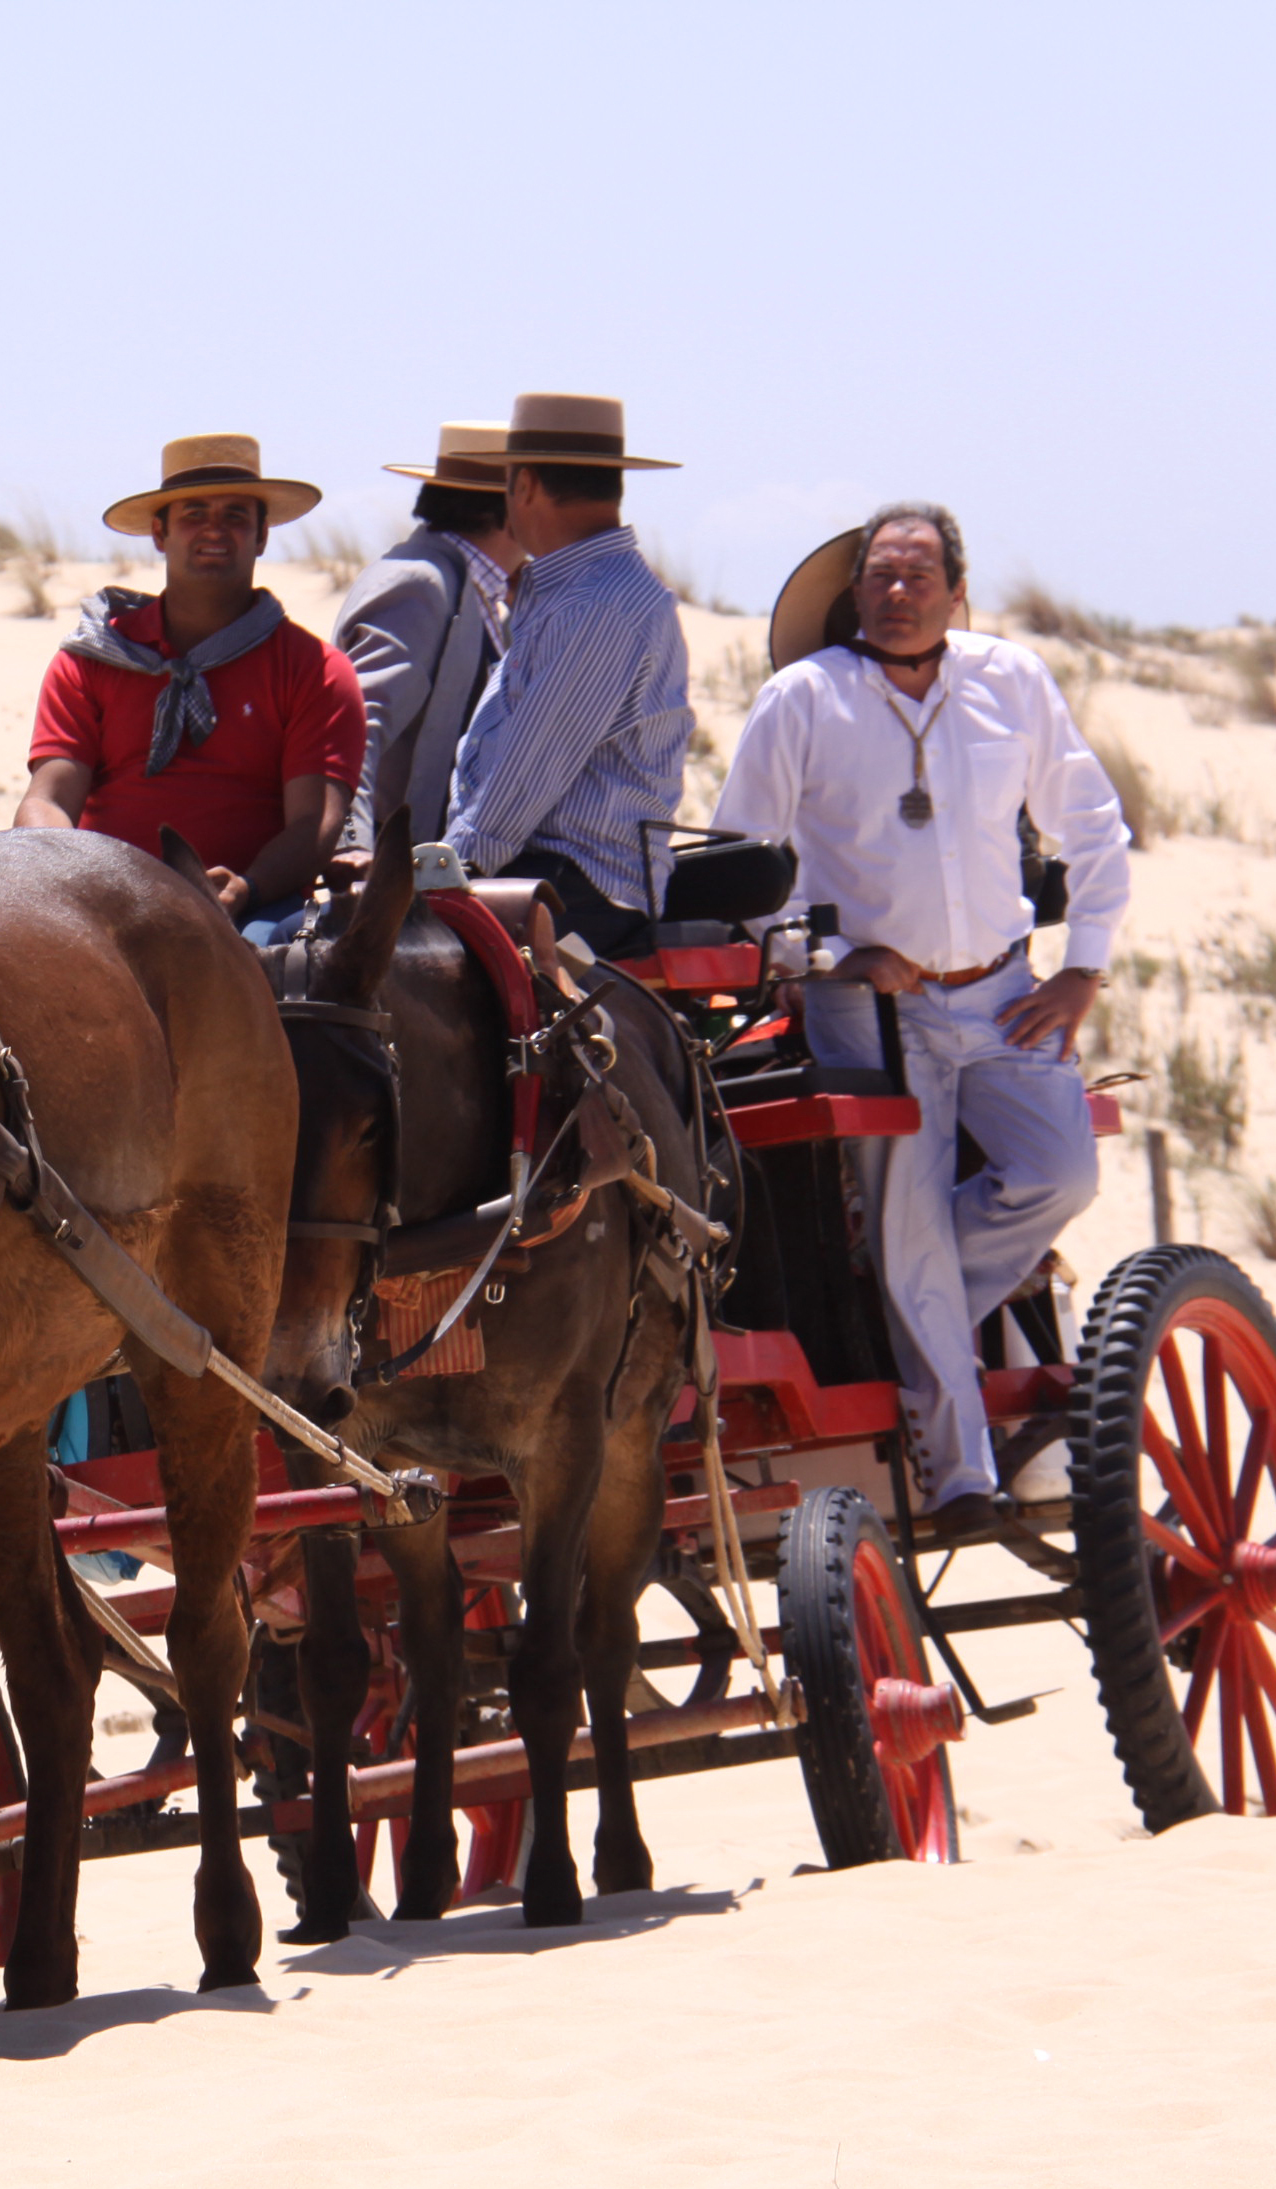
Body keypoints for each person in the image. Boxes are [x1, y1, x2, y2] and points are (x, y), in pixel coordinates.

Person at [713, 504, 1130, 1549]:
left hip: (1003, 994)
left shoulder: (1013, 682)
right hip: (870, 1011)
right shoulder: (801, 700)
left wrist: (1083, 969)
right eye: (880, 577)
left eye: (920, 575)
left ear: (957, 591)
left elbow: (1091, 822)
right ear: (853, 594)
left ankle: (913, 1304)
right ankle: (959, 1473)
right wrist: (829, 960)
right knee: (907, 1236)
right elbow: (738, 866)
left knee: (1059, 1175)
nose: (899, 593)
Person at [20, 433, 363, 942]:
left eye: (235, 516)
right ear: (160, 534)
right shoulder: (90, 660)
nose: (214, 531)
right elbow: (46, 800)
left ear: (262, 536)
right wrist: (77, 884)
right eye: (194, 514)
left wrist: (245, 888)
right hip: (104, 906)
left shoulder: (316, 670)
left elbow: (313, 826)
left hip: (254, 911)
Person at [442, 393, 694, 959]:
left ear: (524, 485)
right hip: (555, 873)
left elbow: (527, 773)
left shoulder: (594, 605)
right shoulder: (585, 594)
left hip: (568, 880)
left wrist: (449, 872)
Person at [332, 420, 516, 857]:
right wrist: (352, 851)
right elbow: (352, 728)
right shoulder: (422, 584)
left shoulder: (471, 587)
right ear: (514, 506)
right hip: (387, 874)